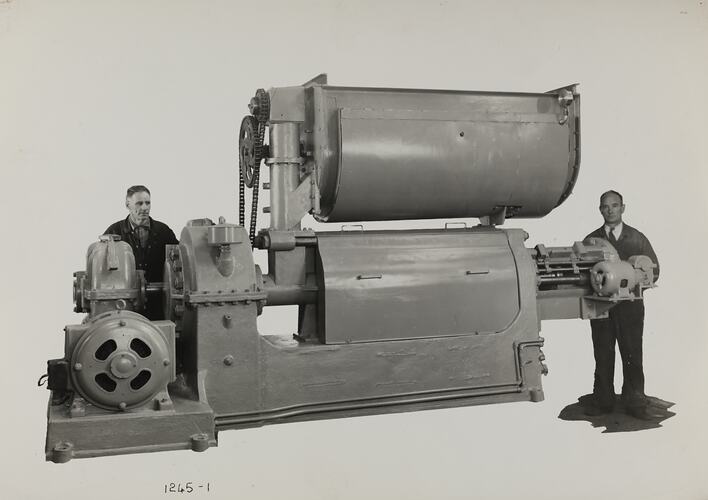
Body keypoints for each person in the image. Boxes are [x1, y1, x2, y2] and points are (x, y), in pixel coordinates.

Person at [583, 190, 659, 420]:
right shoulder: (590, 240)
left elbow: (654, 271)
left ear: (623, 208)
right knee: (603, 355)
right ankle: (603, 401)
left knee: (632, 354)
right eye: (606, 206)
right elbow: (582, 275)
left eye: (615, 205)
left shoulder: (637, 238)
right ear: (600, 210)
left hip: (631, 309)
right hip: (601, 308)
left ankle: (635, 402)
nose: (610, 210)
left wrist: (632, 288)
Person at [104, 185, 178, 320]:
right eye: (139, 203)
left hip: (159, 308)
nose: (145, 207)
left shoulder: (164, 232)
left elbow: (178, 264)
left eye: (148, 203)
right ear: (128, 204)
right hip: (125, 309)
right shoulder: (114, 232)